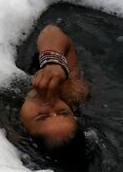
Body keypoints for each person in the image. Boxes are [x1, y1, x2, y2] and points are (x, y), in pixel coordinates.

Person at [19, 24, 90, 155]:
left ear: (23, 130)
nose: (50, 105)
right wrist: (55, 63)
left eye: (41, 116)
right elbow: (51, 31)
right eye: (63, 112)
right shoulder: (70, 92)